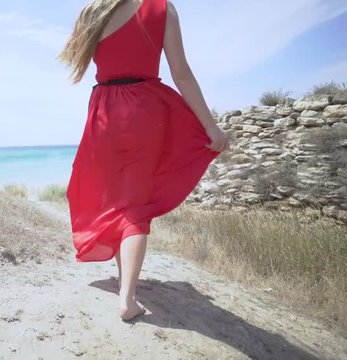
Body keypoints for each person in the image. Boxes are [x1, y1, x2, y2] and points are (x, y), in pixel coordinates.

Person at [59, 0, 230, 321]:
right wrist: (209, 125)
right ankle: (128, 298)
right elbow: (181, 72)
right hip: (144, 110)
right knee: (135, 206)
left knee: (120, 202)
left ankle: (127, 285)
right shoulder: (163, 9)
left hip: (104, 112)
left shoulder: (93, 10)